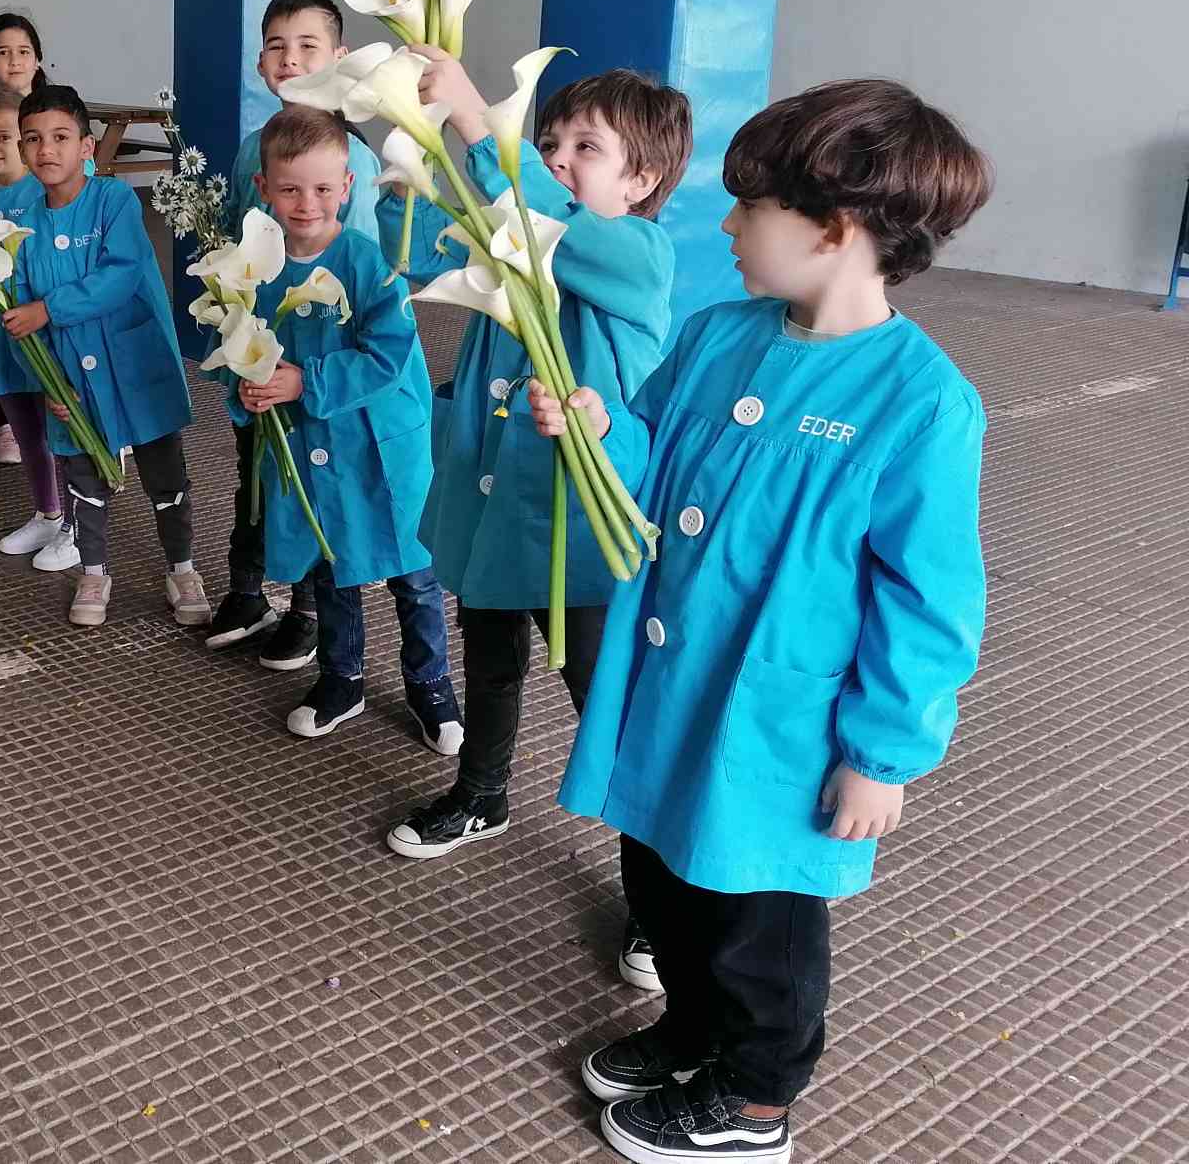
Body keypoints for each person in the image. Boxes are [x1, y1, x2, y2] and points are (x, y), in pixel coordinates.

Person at [529, 79, 993, 1164]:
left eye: (751, 207)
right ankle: (692, 1029)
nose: (727, 225)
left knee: (757, 918)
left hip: (781, 722)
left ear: (835, 228)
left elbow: (928, 604)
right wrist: (598, 429)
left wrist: (881, 756)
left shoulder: (920, 401)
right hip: (673, 687)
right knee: (660, 874)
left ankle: (752, 1099)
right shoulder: (715, 336)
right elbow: (646, 461)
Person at [380, 60, 693, 993]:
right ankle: (482, 792)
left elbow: (534, 219)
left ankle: (656, 892)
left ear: (641, 181)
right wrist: (409, 167)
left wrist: (474, 120)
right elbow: (434, 251)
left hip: (582, 527)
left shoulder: (633, 252)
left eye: (586, 149)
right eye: (547, 143)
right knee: (491, 660)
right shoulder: (521, 236)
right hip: (493, 511)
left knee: (602, 694)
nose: (556, 160)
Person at [230, 108, 458, 749]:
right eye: (290, 189)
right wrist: (248, 389)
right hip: (306, 447)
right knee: (331, 568)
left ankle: (431, 686)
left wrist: (305, 382)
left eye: (324, 188)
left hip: (378, 449)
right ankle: (342, 677)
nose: (307, 203)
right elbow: (238, 342)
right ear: (263, 188)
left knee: (413, 573)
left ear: (347, 187)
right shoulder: (252, 269)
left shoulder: (368, 262)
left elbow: (388, 354)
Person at [206, 0, 386, 673]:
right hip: (258, 350)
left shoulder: (356, 161)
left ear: (339, 58)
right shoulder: (251, 150)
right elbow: (233, 243)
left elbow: (359, 281)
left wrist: (308, 377)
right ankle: (250, 591)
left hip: (317, 366)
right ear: (260, 63)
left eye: (309, 46)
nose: (291, 59)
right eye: (277, 46)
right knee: (255, 470)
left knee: (311, 479)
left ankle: (308, 611)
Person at [1, 86, 210, 628]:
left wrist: (49, 309)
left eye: (60, 137)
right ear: (23, 150)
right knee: (84, 477)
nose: (47, 149)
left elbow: (119, 275)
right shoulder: (21, 230)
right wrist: (50, 384)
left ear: (87, 147)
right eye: (33, 139)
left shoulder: (114, 200)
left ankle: (182, 568)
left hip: (135, 366)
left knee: (165, 472)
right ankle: (93, 572)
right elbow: (19, 321)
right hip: (72, 381)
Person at [0, 88, 76, 568]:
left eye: (5, 136)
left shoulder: (44, 193)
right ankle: (47, 512)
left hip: (43, 335)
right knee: (26, 431)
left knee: (63, 432)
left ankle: (76, 525)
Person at [0, 12, 48, 95]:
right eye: (3, 53)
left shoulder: (57, 102)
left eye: (23, 52)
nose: (15, 62)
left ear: (37, 60)